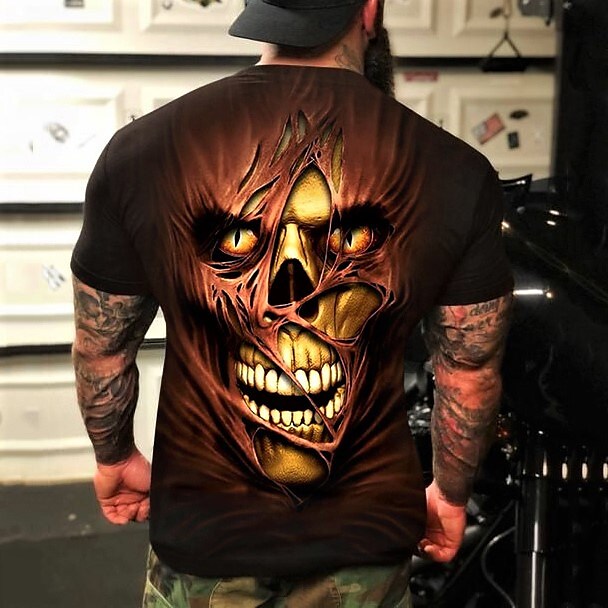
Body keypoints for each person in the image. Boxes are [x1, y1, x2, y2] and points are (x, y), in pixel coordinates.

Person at [70, 0, 513, 606]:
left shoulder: (141, 152)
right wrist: (451, 492)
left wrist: (114, 455)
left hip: (203, 541)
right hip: (365, 546)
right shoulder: (454, 169)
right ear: (370, 10)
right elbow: (468, 370)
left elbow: (103, 347)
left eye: (349, 242)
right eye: (238, 244)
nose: (288, 303)